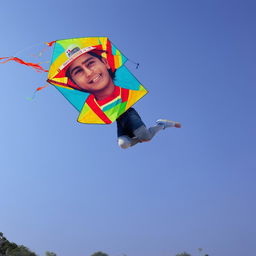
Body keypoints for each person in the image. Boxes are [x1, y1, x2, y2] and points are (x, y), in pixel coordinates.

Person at [66, 50, 181, 149]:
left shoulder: (128, 92)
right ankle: (153, 129)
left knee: (146, 138)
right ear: (74, 83)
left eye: (90, 63)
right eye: (78, 71)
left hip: (129, 114)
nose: (89, 72)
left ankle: (161, 124)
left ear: (105, 62)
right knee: (123, 144)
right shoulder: (89, 109)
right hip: (119, 120)